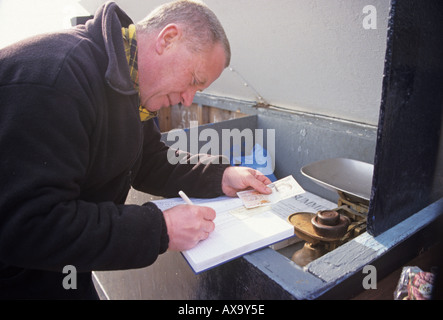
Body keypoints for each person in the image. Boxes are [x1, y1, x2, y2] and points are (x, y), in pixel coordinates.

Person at [0, 0, 271, 299]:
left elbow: (149, 160)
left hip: (62, 271)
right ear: (168, 39)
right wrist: (159, 229)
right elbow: (28, 225)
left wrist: (220, 175)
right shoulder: (55, 79)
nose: (188, 99)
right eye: (193, 81)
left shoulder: (128, 86)